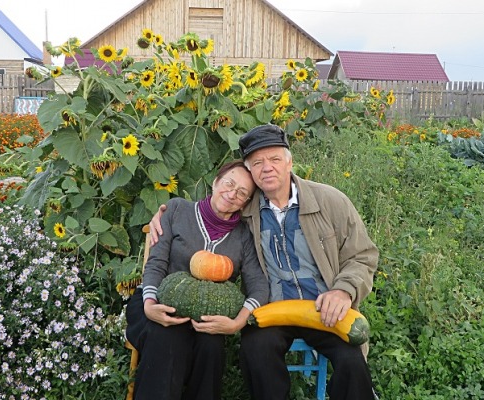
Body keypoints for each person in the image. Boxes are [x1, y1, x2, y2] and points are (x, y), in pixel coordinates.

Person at [149, 124, 379, 400]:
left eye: (274, 159)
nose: (267, 168)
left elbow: (363, 255)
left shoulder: (330, 201)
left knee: (351, 362)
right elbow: (212, 208)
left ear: (290, 161)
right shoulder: (246, 208)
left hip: (326, 309)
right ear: (251, 171)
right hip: (274, 311)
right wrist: (163, 214)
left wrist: (344, 290)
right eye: (257, 163)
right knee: (256, 350)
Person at [126, 160, 270, 400]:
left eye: (242, 193)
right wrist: (149, 306)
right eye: (229, 183)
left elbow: (258, 286)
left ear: (246, 203)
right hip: (158, 301)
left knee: (211, 347)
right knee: (167, 337)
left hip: (206, 314)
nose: (232, 194)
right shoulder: (177, 210)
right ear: (215, 182)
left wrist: (236, 324)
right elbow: (156, 263)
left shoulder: (244, 235)